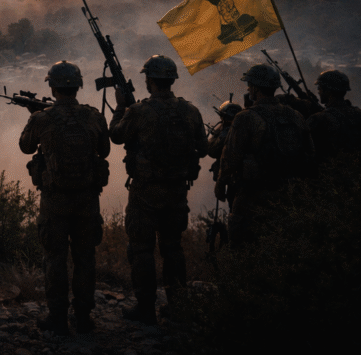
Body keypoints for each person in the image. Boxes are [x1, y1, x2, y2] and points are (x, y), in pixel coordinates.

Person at [110, 55, 206, 326]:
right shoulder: (190, 111)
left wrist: (120, 107)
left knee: (141, 250)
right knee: (173, 248)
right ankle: (178, 307)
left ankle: (145, 309)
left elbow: (116, 135)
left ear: (150, 81)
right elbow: (203, 148)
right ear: (172, 80)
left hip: (145, 193)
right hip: (177, 192)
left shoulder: (139, 111)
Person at [20, 61, 109, 335]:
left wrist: (36, 114)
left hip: (55, 200)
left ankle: (57, 317)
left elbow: (25, 146)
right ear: (78, 86)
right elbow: (104, 150)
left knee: (55, 258)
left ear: (52, 86)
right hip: (86, 199)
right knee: (85, 258)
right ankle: (83, 318)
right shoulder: (94, 117)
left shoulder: (42, 118)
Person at [215, 64, 313, 247]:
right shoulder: (296, 116)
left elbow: (230, 158)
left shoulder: (246, 118)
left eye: (250, 85)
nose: (248, 89)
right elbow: (309, 155)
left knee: (244, 248)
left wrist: (221, 183)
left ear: (255, 88)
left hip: (253, 197)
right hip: (289, 196)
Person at [306, 70, 361, 163]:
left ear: (328, 91)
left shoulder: (319, 119)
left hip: (328, 172)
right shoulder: (358, 114)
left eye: (319, 88)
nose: (318, 91)